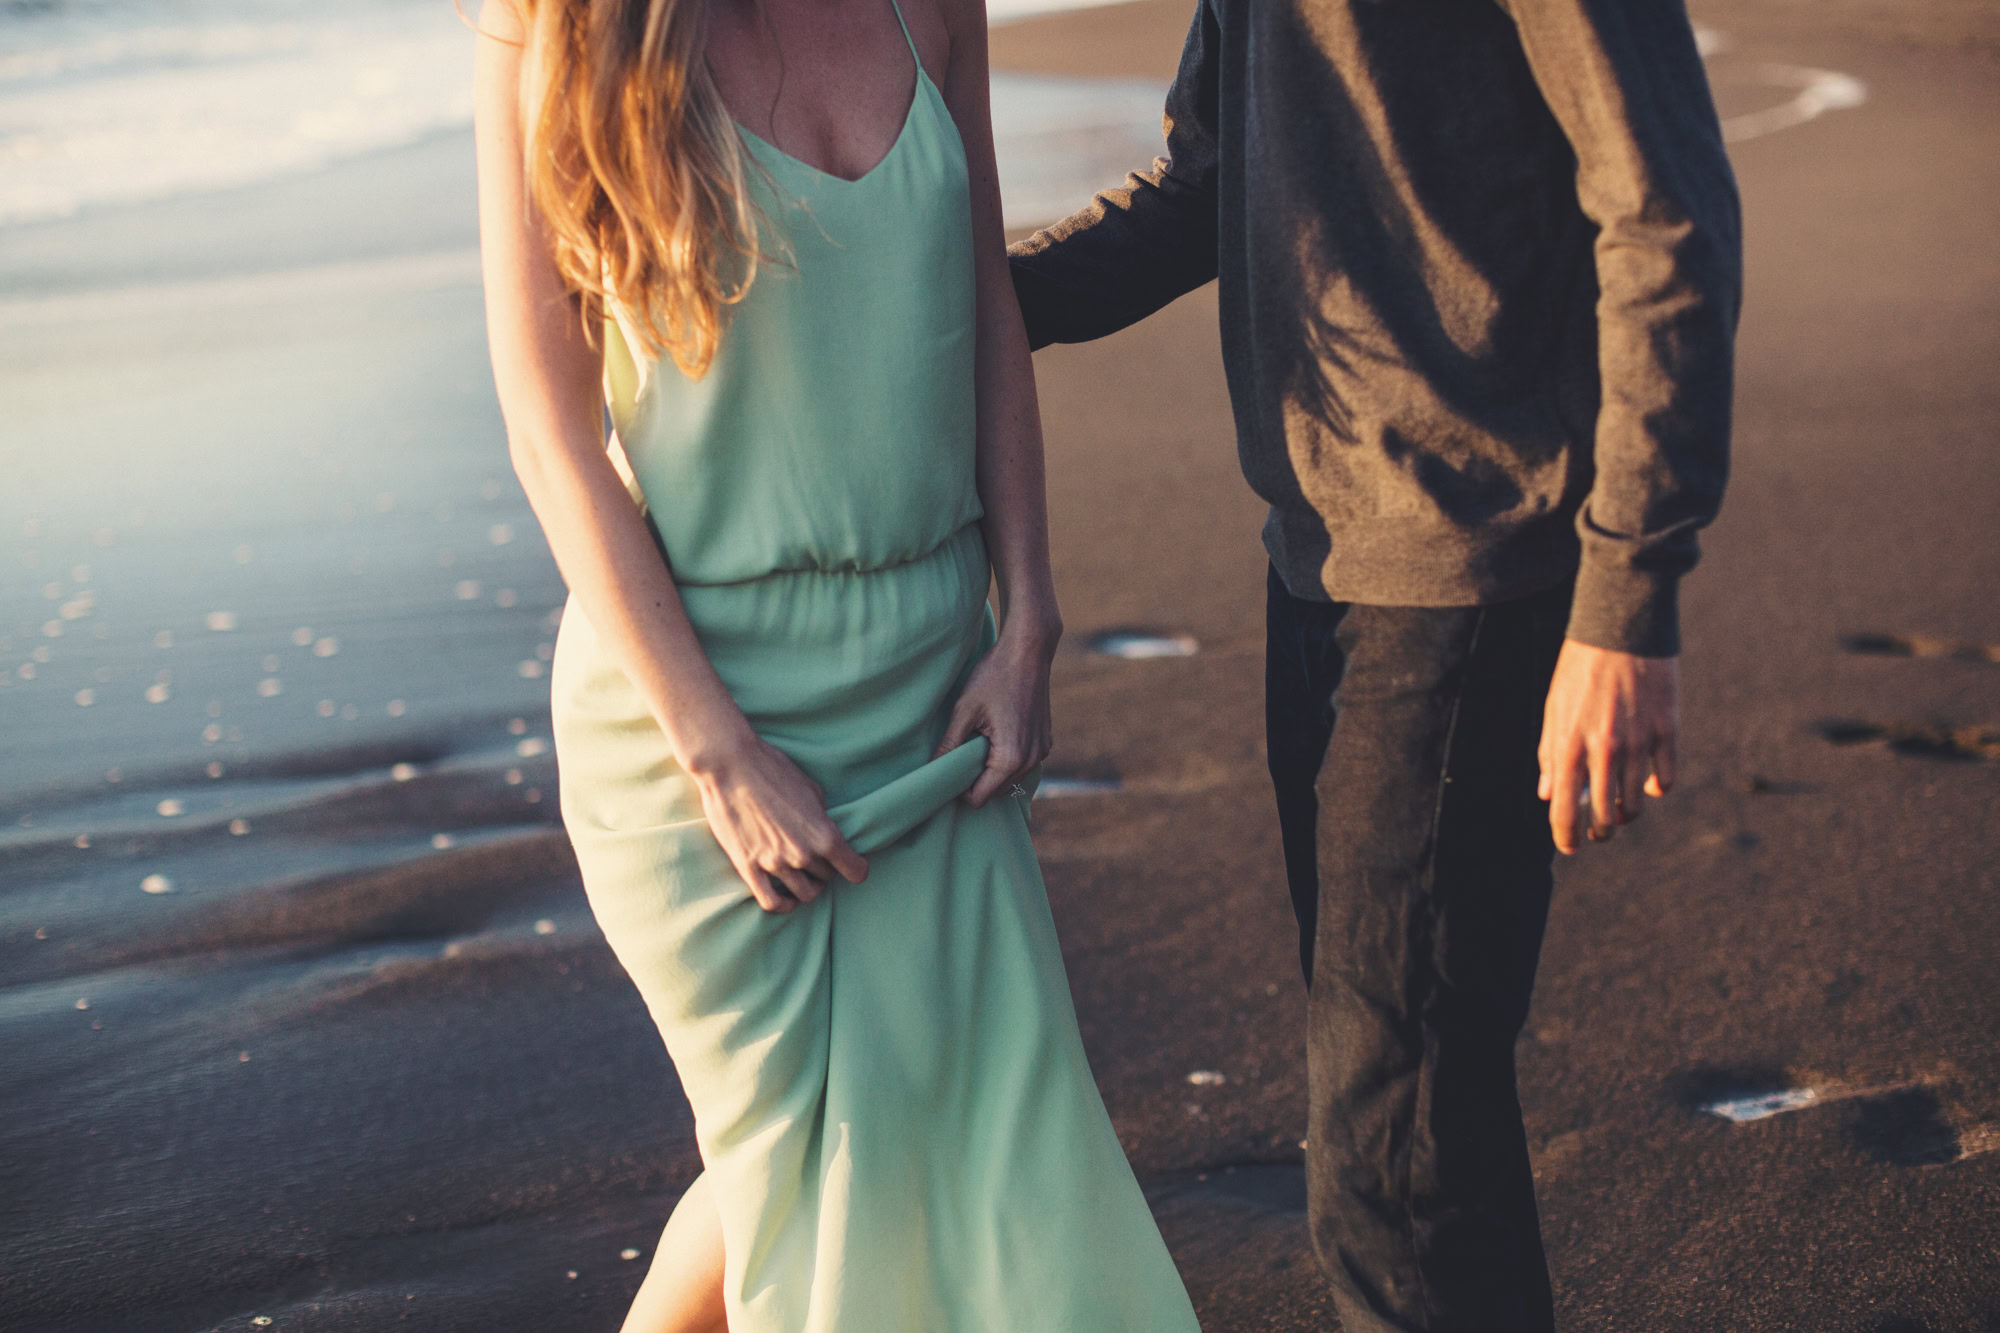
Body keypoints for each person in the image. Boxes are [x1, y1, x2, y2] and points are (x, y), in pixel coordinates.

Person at [1009, 2, 1741, 1330]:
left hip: (1475, 572)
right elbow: (1208, 187)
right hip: (1320, 567)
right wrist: (962, 301)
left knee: (1391, 1151)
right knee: (1419, 1115)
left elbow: (1667, 210)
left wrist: (1628, 602)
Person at [471, 0, 1203, 1329]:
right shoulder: (558, 27)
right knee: (794, 1170)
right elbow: (546, 424)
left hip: (937, 703)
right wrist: (718, 748)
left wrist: (1030, 621)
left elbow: (986, 310)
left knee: (983, 1159)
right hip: (700, 731)